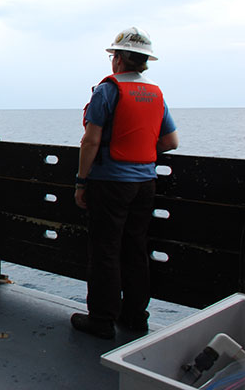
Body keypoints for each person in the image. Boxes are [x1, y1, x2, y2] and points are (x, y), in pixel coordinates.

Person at [71, 27, 179, 339]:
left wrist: (81, 183)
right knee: (135, 249)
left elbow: (90, 141)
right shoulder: (156, 94)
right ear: (144, 61)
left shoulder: (108, 90)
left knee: (105, 250)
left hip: (110, 184)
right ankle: (135, 317)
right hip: (145, 183)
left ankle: (102, 320)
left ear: (118, 58)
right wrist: (141, 151)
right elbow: (171, 141)